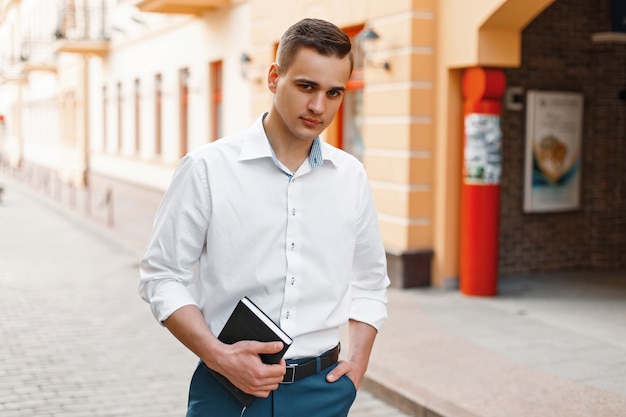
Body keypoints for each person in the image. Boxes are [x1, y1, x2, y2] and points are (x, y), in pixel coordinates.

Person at [139, 17, 389, 417]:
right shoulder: (206, 168)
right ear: (274, 77)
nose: (318, 107)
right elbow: (162, 276)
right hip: (226, 390)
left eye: (334, 92)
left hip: (322, 393)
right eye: (306, 86)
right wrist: (218, 356)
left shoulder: (351, 177)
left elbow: (371, 283)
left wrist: (357, 365)